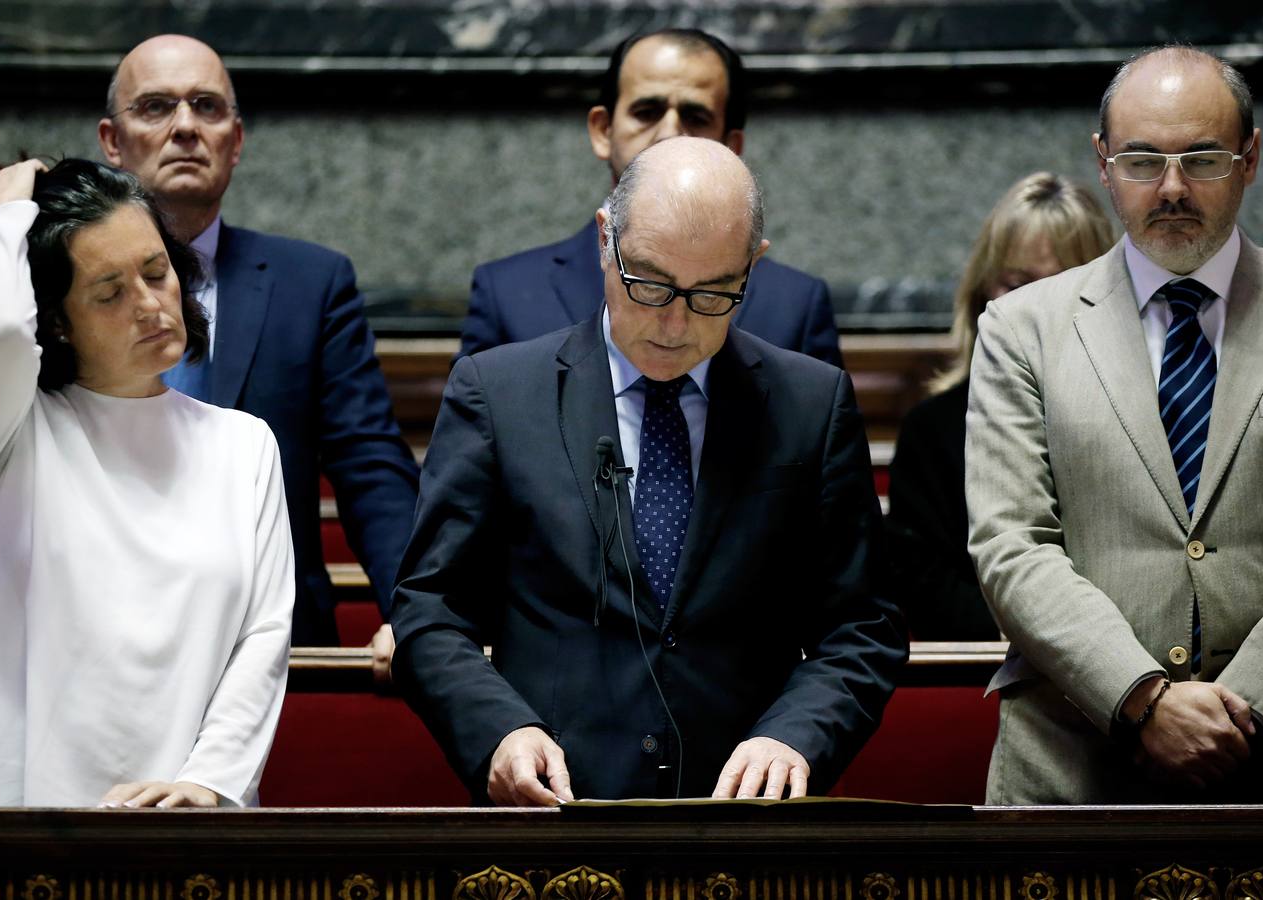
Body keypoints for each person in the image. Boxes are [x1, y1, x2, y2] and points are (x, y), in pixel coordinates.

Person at [392, 137, 906, 805]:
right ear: (605, 240)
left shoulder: (810, 403)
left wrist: (792, 737)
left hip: (743, 819)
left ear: (752, 267)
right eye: (649, 283)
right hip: (555, 808)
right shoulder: (498, 393)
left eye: (713, 294)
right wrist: (499, 731)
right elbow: (430, 610)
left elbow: (861, 627)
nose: (673, 323)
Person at [0, 35, 419, 656]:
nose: (185, 126)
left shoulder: (311, 283)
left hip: (271, 644)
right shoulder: (34, 278)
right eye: (156, 107)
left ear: (235, 142)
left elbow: (370, 465)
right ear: (112, 141)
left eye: (207, 107)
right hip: (83, 640)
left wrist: (415, 618)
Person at [967, 45, 1263, 803]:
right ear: (1101, 163)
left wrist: (1247, 707)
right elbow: (1009, 545)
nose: (1169, 188)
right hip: (1071, 764)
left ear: (1249, 158)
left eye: (1201, 158)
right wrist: (1142, 698)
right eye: (1139, 161)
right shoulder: (1019, 327)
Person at [0, 158, 293, 807]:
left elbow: (260, 637)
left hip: (183, 823)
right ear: (58, 320)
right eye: (109, 292)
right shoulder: (3, 429)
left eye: (157, 272)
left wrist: (208, 783)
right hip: (5, 825)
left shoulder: (243, 445)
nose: (151, 306)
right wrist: (2, 219)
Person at [460, 28, 843, 368]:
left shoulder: (796, 305)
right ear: (603, 131)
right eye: (647, 111)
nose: (670, 133)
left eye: (696, 116)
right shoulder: (505, 294)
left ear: (731, 145)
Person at [886, 173, 1112, 639]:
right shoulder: (931, 431)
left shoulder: (1149, 419)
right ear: (983, 293)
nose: (1036, 310)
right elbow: (928, 594)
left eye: (1063, 286)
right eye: (1017, 285)